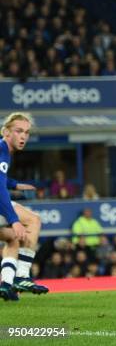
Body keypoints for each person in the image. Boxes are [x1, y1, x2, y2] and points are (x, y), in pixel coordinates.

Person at [0, 113, 48, 300]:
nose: (23, 136)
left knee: (13, 239)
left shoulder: (4, 151)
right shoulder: (2, 149)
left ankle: (7, 285)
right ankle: (22, 276)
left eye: (26, 132)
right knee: (33, 220)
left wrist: (14, 184)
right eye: (19, 131)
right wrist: (14, 220)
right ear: (6, 132)